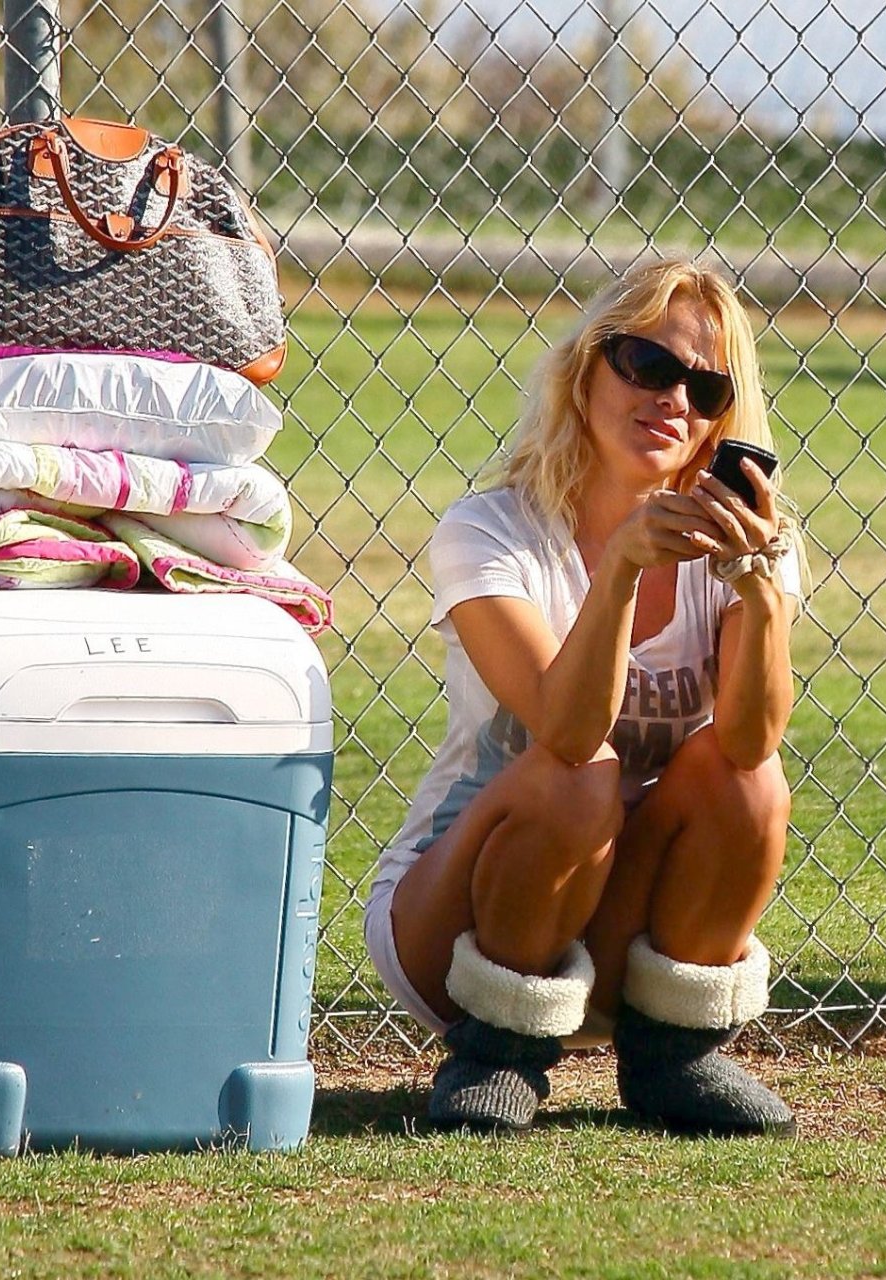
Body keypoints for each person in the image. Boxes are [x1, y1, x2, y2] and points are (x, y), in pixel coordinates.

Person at [363, 258, 806, 1136]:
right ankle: (497, 1055)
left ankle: (674, 1053)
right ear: (585, 369)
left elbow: (751, 741)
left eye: (706, 388)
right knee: (580, 774)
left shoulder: (753, 545)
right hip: (462, 930)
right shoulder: (491, 531)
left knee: (749, 781)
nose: (672, 398)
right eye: (649, 364)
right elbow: (566, 732)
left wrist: (757, 585)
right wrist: (622, 571)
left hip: (626, 939)